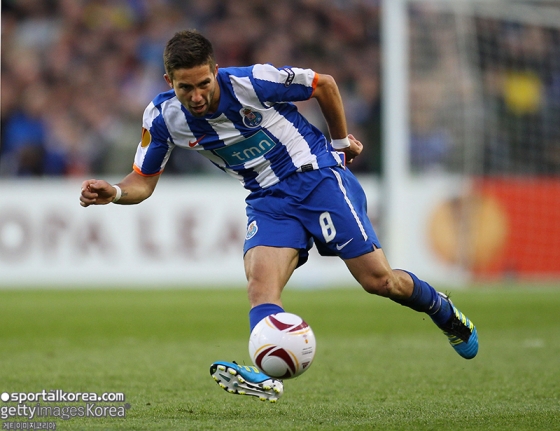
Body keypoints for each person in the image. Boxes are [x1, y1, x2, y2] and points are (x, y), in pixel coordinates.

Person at [79, 30, 478, 402]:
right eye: (186, 87)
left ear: (215, 70)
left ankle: (443, 311)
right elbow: (143, 181)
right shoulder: (163, 117)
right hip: (267, 199)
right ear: (169, 81)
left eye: (204, 83)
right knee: (260, 288)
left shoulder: (250, 82)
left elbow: (324, 85)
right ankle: (267, 374)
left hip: (316, 178)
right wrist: (115, 192)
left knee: (380, 281)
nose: (197, 96)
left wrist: (340, 144)